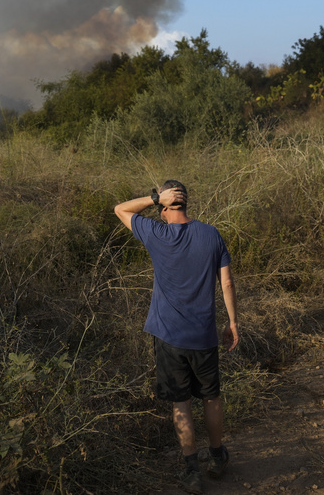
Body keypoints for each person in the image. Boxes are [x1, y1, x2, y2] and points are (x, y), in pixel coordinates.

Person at [114, 180, 239, 494]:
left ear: (165, 205)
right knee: (211, 397)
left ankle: (191, 470)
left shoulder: (156, 234)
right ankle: (216, 457)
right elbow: (227, 284)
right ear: (187, 203)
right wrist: (233, 322)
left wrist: (154, 197)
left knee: (180, 403)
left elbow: (120, 209)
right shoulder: (211, 235)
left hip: (169, 337)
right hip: (204, 335)